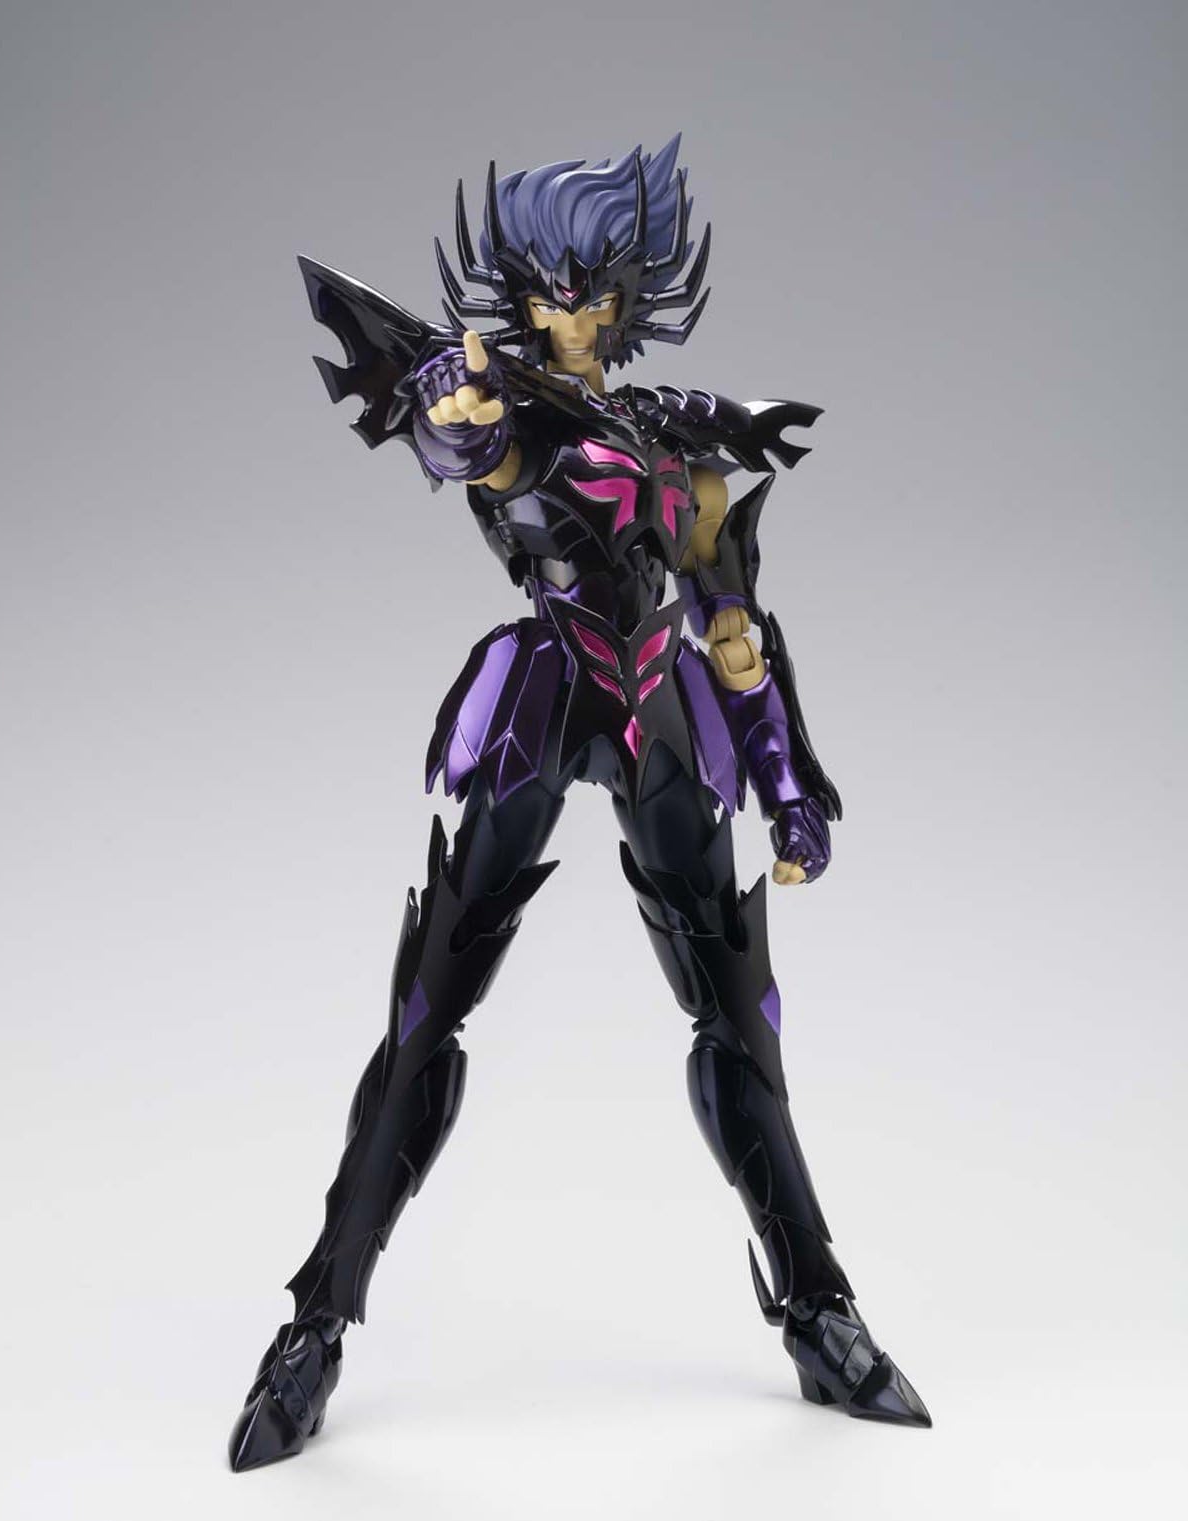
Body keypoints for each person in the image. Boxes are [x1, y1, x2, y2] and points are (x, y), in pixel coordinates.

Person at [227, 135, 930, 1472]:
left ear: (628, 295)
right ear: (519, 294)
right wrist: (456, 414)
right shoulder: (510, 408)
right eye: (548, 290)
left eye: (593, 289)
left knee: (738, 1017)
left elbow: (735, 629)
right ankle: (314, 1326)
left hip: (661, 710)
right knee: (429, 1006)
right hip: (546, 701)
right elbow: (475, 448)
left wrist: (787, 784)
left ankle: (818, 1312)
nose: (571, 312)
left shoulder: (681, 438)